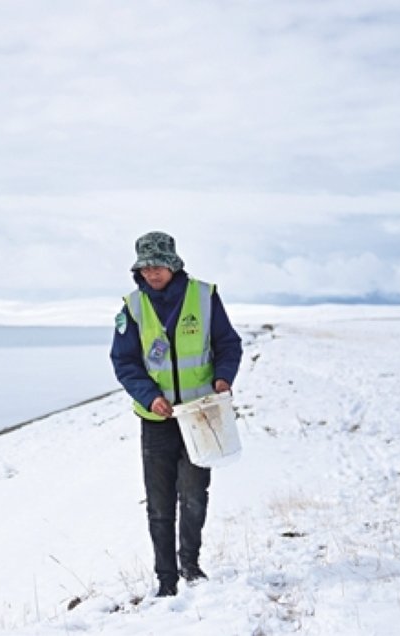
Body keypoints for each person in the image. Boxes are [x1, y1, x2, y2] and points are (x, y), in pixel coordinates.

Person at [109, 230, 243, 598]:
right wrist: (150, 397)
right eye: (145, 267)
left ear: (173, 264)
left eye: (158, 266)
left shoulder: (204, 296)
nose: (152, 273)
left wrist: (222, 379)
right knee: (159, 503)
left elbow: (228, 344)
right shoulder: (132, 308)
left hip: (200, 417)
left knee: (195, 495)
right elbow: (124, 362)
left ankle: (191, 565)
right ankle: (166, 580)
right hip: (157, 422)